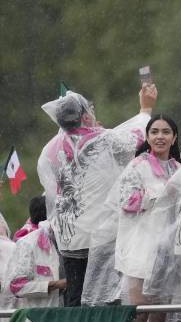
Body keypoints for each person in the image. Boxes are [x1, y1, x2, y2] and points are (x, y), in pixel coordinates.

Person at [36, 84, 155, 307]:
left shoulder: (49, 150)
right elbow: (137, 136)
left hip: (69, 237)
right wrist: (145, 110)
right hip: (101, 235)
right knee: (104, 295)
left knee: (74, 294)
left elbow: (50, 190)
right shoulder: (104, 140)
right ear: (84, 116)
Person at [111, 115, 181, 322]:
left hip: (168, 251)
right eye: (154, 131)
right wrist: (159, 194)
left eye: (166, 132)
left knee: (160, 314)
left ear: (175, 137)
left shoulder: (180, 168)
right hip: (141, 248)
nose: (160, 137)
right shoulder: (138, 166)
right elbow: (127, 201)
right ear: (147, 136)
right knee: (140, 312)